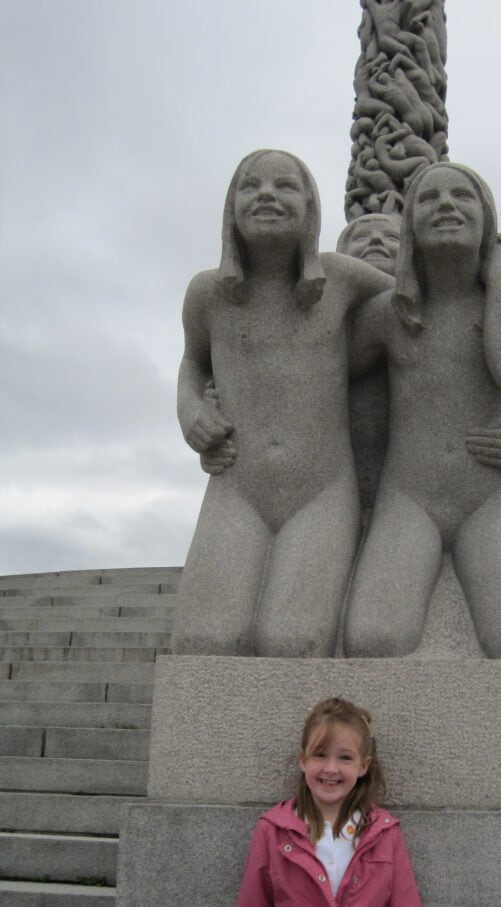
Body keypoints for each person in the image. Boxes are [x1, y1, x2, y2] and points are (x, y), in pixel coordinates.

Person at [171, 150, 391, 657]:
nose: (266, 195)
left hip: (321, 493)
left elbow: (420, 298)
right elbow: (193, 363)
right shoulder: (207, 294)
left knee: (292, 641)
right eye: (251, 186)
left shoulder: (341, 279)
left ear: (311, 207)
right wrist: (191, 413)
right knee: (203, 641)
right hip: (236, 489)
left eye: (284, 186)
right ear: (231, 209)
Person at [344, 161, 501, 659]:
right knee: (374, 638)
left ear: (487, 218)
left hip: (491, 500)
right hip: (408, 498)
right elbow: (315, 370)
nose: (445, 206)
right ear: (411, 227)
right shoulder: (390, 313)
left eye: (462, 197)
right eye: (429, 198)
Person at [204, 697, 445, 907]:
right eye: (320, 755)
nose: (330, 769)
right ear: (303, 761)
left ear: (363, 766)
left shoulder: (384, 836)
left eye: (344, 758)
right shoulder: (274, 832)